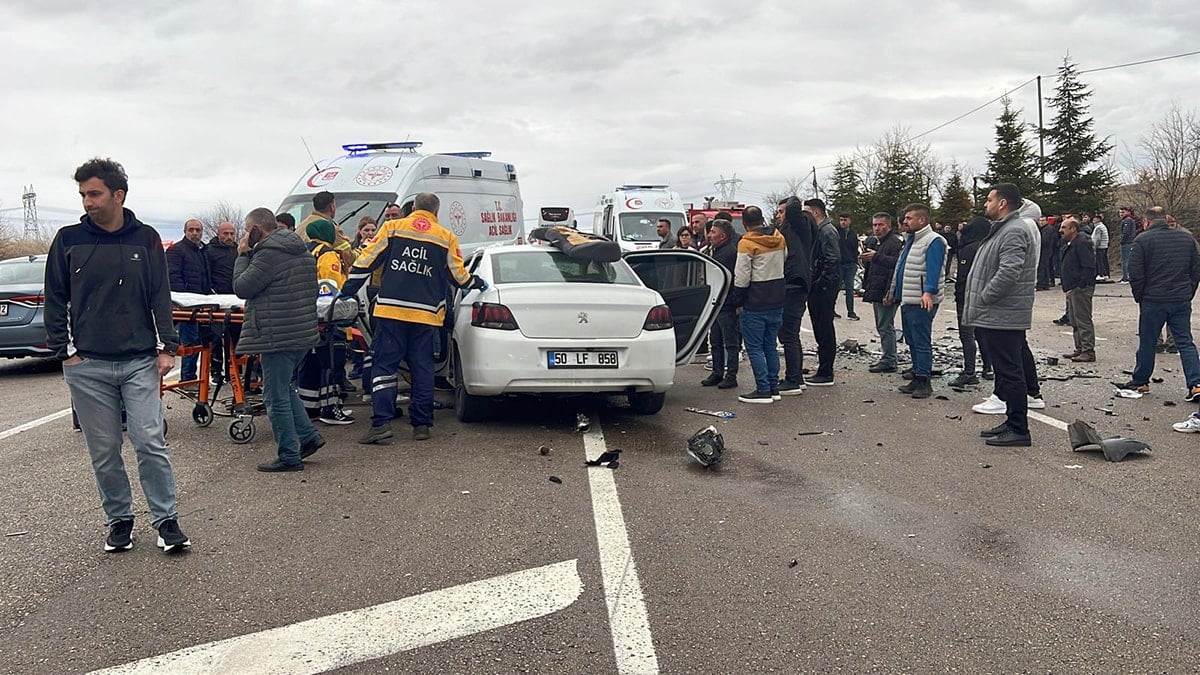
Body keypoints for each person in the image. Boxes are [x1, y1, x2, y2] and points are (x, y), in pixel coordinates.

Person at [44, 157, 189, 553]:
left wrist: (168, 346)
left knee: (149, 441)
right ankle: (120, 520)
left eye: (94, 193)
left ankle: (166, 520)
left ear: (118, 194)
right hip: (87, 365)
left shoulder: (145, 239)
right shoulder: (68, 239)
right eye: (83, 195)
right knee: (105, 450)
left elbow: (160, 293)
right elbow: (55, 298)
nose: (88, 202)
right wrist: (65, 351)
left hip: (139, 361)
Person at [340, 192, 487, 444]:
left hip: (391, 311)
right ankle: (421, 425)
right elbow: (459, 277)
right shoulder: (446, 237)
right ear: (436, 212)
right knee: (423, 368)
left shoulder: (393, 227)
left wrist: (346, 292)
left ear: (413, 208)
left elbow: (366, 261)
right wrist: (478, 282)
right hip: (426, 315)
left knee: (384, 366)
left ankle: (381, 424)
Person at [232, 207, 325, 472]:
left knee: (274, 396)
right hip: (300, 332)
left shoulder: (267, 255)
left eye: (247, 230)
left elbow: (241, 287)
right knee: (285, 388)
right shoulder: (300, 251)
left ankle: (288, 454)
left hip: (276, 334)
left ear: (255, 231)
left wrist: (242, 255)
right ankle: (308, 437)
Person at [962, 184, 1041, 447]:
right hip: (996, 313)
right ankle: (1011, 421)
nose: (986, 204)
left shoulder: (1014, 230)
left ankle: (1019, 429)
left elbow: (1009, 272)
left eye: (989, 199)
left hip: (1003, 314)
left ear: (1003, 203)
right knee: (1006, 371)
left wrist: (985, 297)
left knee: (1010, 372)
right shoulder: (1003, 229)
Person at [1120, 207, 1200, 401]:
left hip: (1153, 300)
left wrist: (1140, 296)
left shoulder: (1142, 240)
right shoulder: (1187, 238)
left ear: (1146, 221)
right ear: (1165, 219)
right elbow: (1196, 269)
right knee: (1185, 342)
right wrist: (1188, 292)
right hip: (1180, 299)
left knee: (1148, 342)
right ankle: (1196, 384)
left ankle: (1141, 381)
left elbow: (1135, 273)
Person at [297, 219, 355, 425]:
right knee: (332, 362)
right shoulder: (327, 254)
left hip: (306, 317)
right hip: (328, 319)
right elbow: (330, 287)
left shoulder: (304, 251)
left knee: (310, 363)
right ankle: (331, 409)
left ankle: (309, 407)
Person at [728, 206, 786, 403]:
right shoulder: (779, 238)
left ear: (744, 224)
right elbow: (784, 260)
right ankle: (774, 387)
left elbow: (742, 276)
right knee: (770, 345)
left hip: (755, 300)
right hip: (777, 298)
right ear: (762, 219)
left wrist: (738, 300)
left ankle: (763, 389)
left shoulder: (746, 243)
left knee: (754, 347)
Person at [891, 204, 946, 399]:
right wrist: (894, 292)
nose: (905, 221)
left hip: (922, 300)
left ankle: (924, 380)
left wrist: (928, 292)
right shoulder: (912, 240)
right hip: (909, 298)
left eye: (909, 218)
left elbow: (934, 269)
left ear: (922, 220)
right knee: (912, 339)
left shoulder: (933, 241)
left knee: (921, 341)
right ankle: (916, 374)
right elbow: (902, 268)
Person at [776, 199, 817, 393]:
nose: (779, 216)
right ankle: (796, 376)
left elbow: (793, 207)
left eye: (781, 211)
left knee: (788, 334)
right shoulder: (793, 231)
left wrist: (792, 201)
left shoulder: (800, 226)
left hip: (795, 283)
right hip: (793, 282)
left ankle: (792, 379)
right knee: (790, 334)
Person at [166, 218, 212, 382]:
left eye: (197, 230)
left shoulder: (201, 252)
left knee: (198, 342)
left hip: (200, 305)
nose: (194, 233)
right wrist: (184, 301)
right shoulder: (176, 250)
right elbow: (172, 278)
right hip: (184, 307)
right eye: (191, 230)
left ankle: (192, 378)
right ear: (185, 231)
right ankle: (187, 379)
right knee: (190, 342)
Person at [948, 216, 993, 386]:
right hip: (983, 296)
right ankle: (988, 367)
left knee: (966, 334)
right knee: (982, 333)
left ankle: (969, 372)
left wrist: (959, 295)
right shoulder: (987, 247)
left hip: (968, 297)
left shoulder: (969, 249)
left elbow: (963, 277)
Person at [860, 212, 905, 374]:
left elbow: (897, 267)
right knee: (882, 325)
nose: (877, 228)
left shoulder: (894, 243)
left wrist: (889, 293)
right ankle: (887, 357)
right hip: (876, 289)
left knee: (885, 326)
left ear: (889, 226)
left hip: (886, 291)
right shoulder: (876, 242)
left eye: (881, 225)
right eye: (875, 225)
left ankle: (889, 360)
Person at [803, 198, 841, 385]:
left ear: (816, 213)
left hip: (824, 288)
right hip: (819, 286)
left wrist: (820, 285)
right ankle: (823, 368)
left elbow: (832, 260)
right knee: (820, 327)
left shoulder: (827, 231)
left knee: (824, 328)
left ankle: (826, 372)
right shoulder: (819, 230)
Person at [700, 219, 740, 389]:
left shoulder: (729, 253)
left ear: (723, 236)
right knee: (715, 339)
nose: (709, 235)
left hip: (726, 302)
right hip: (715, 302)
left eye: (713, 232)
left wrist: (734, 301)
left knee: (730, 341)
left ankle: (731, 375)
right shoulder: (714, 250)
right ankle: (717, 372)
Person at [204, 221, 239, 383]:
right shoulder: (209, 251)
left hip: (236, 300)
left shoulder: (238, 250)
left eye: (232, 234)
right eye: (226, 234)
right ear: (219, 234)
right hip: (217, 300)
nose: (229, 237)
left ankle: (236, 370)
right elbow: (205, 274)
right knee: (216, 339)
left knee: (237, 337)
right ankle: (216, 372)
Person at [1059, 218, 1097, 362]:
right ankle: (1079, 348)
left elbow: (1089, 266)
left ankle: (1088, 351)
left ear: (1073, 228)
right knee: (1074, 320)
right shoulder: (1071, 243)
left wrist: (1080, 285)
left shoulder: (1081, 243)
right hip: (1072, 287)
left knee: (1083, 319)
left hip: (1080, 288)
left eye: (1064, 227)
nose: (1060, 230)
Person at [300, 191, 355, 268]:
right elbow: (349, 258)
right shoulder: (330, 229)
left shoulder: (301, 225)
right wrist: (361, 250)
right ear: (332, 207)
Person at [834, 214, 861, 320]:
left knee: (849, 288)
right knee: (835, 288)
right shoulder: (836, 232)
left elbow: (855, 248)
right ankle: (831, 309)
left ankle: (851, 311)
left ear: (849, 221)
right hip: (839, 264)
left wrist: (855, 261)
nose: (843, 222)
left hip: (850, 264)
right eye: (841, 220)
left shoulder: (853, 234)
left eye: (845, 220)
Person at [1118, 206, 1138, 282]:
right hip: (1129, 242)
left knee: (1126, 260)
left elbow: (1126, 233)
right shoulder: (1129, 220)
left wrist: (1122, 240)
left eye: (1123, 212)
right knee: (1126, 260)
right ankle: (1125, 276)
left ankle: (1126, 277)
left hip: (1127, 243)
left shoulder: (1127, 220)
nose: (1121, 214)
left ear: (1128, 212)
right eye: (1120, 212)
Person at [1091, 212, 1110, 281]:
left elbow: (1098, 238)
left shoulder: (1099, 227)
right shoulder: (1102, 226)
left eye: (1095, 219)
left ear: (1099, 219)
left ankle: (1101, 274)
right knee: (1102, 260)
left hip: (1100, 246)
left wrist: (1095, 246)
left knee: (1100, 261)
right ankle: (1105, 274)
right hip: (1104, 246)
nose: (1093, 220)